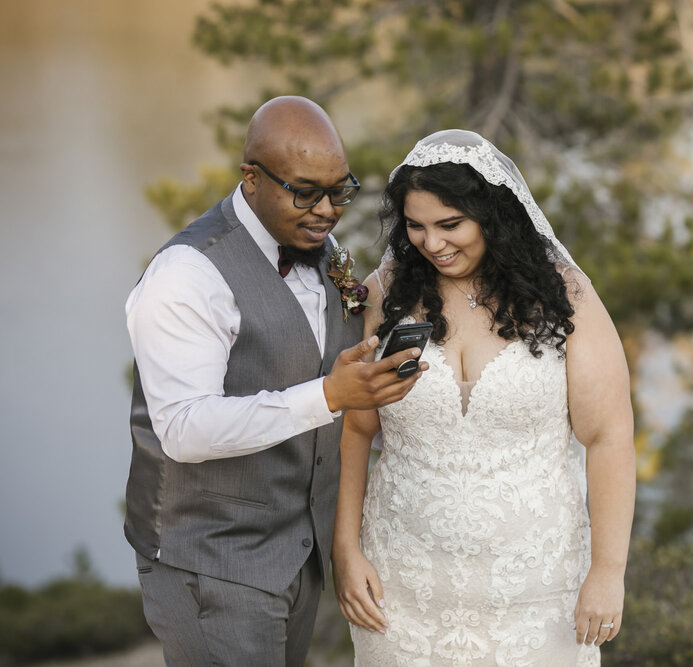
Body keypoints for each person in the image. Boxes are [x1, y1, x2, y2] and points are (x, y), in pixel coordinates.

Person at [123, 96, 428, 667]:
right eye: (306, 191)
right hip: (211, 562)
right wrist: (330, 396)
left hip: (296, 556)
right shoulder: (187, 275)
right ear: (251, 179)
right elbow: (184, 430)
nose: (328, 210)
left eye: (341, 191)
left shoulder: (321, 247)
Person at [332, 130, 636, 665]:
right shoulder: (388, 296)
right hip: (403, 588)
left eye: (451, 225)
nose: (433, 243)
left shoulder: (565, 299)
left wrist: (608, 571)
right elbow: (357, 430)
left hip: (536, 591)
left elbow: (608, 437)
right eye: (416, 226)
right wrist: (346, 549)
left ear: (493, 216)